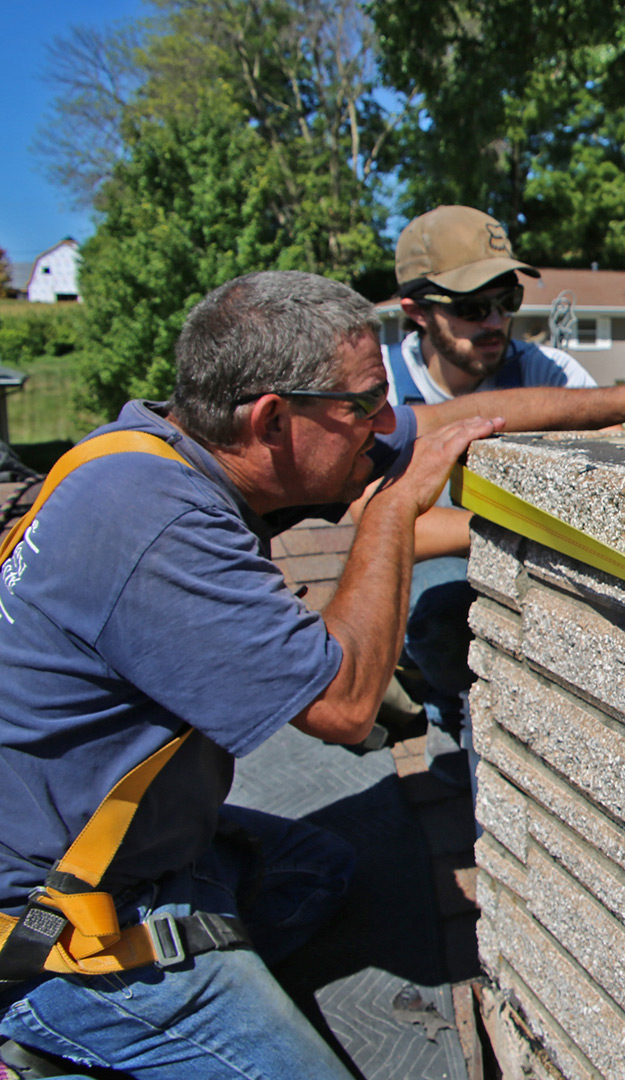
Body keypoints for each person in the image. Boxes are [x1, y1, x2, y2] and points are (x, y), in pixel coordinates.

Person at [0, 270, 504, 1080]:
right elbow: (344, 708)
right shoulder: (158, 528)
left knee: (319, 870)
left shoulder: (140, 453)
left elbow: (447, 422)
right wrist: (391, 512)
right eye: (365, 406)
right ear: (272, 417)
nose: (385, 428)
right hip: (54, 915)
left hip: (109, 843)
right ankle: (49, 1041)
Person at [377, 205, 625, 788]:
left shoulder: (547, 371)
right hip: (442, 562)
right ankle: (454, 700)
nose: (494, 321)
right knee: (440, 621)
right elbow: (388, 530)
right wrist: (509, 525)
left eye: (506, 300)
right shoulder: (385, 389)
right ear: (416, 312)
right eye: (470, 308)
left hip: (529, 545)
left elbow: (609, 470)